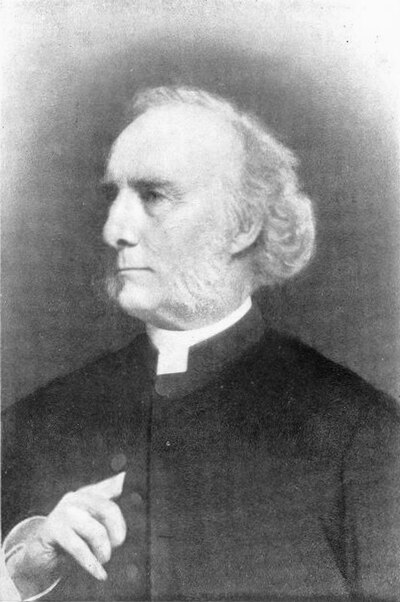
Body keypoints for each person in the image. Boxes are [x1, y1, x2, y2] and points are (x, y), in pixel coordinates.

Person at [2, 86, 399, 602]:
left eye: (154, 196)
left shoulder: (361, 435)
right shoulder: (36, 421)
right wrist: (23, 573)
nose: (114, 229)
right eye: (114, 197)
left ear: (243, 226)